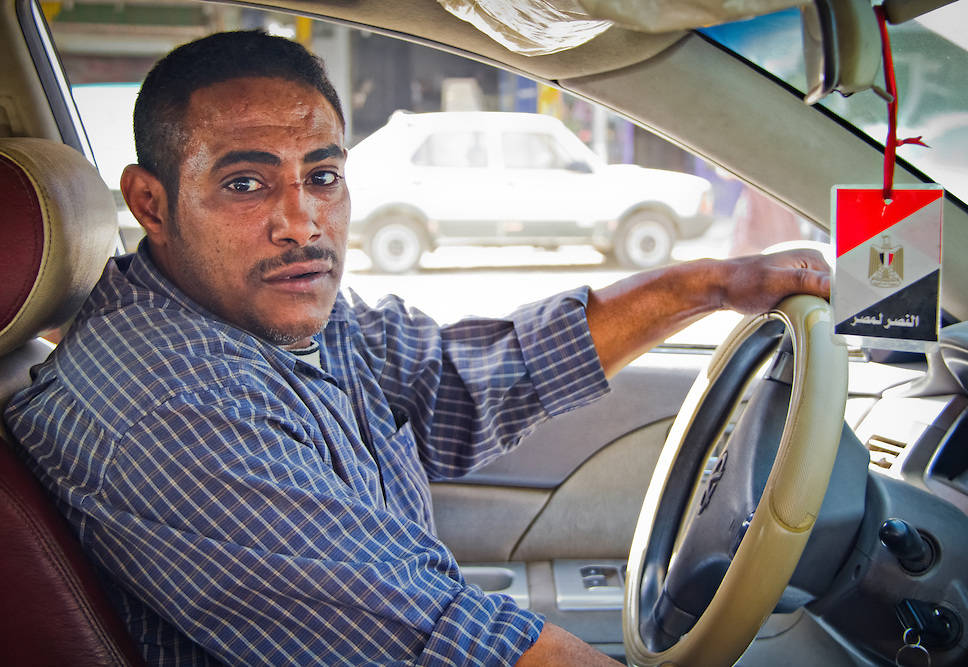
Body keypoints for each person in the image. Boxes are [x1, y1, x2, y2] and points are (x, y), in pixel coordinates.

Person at [4, 30, 831, 667]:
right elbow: (441, 643)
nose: (302, 221)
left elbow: (465, 382)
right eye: (246, 184)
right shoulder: (169, 401)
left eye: (322, 175)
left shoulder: (265, 311)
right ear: (151, 203)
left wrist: (708, 287)